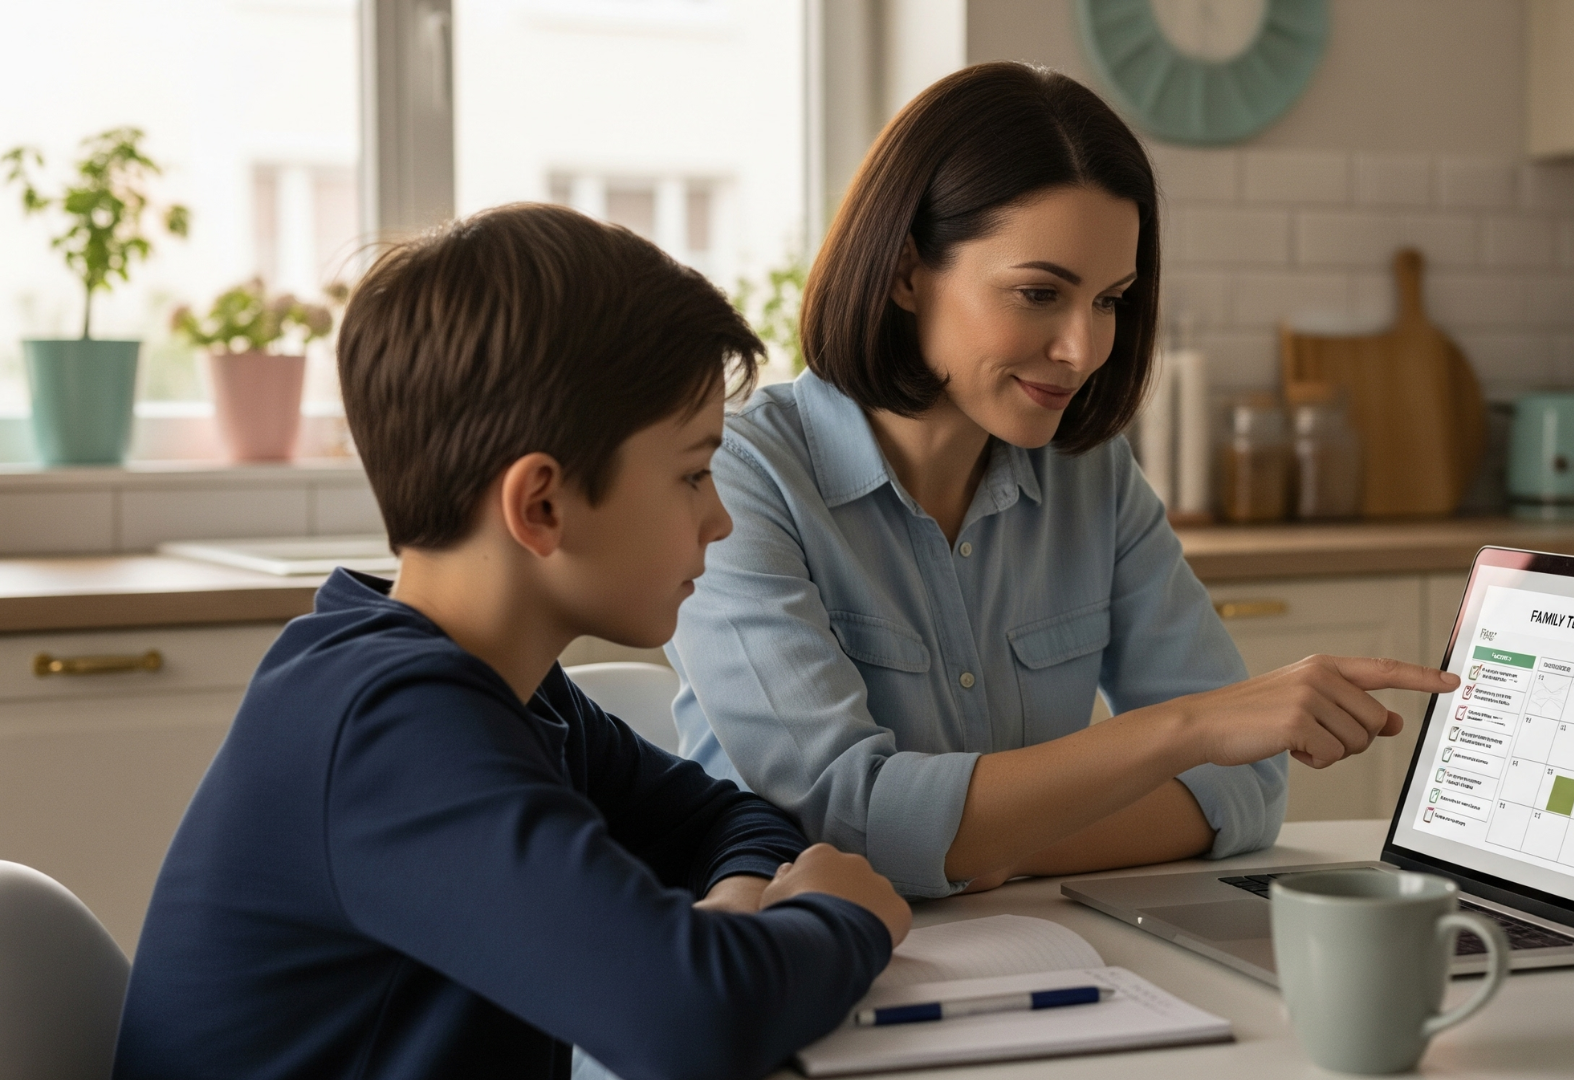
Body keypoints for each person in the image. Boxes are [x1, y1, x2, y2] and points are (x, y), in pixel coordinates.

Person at [113, 204, 910, 1080]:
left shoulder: (508, 687)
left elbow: (731, 816)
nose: (719, 520)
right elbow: (688, 1019)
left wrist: (729, 917)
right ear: (540, 506)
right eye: (691, 473)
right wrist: (845, 917)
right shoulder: (387, 725)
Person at [664, 62, 1459, 902]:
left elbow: (1247, 789)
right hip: (785, 974)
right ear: (904, 273)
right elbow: (849, 818)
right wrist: (1185, 731)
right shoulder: (737, 477)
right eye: (1039, 293)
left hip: (1032, 954)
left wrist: (1004, 849)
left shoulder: (1090, 474)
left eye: (1111, 300)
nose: (1083, 349)